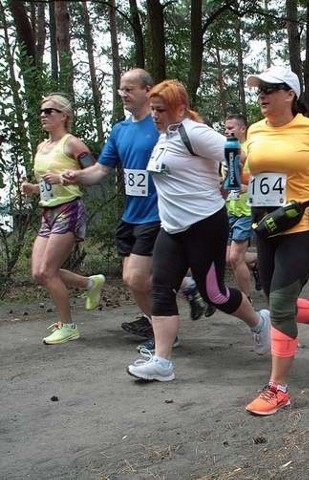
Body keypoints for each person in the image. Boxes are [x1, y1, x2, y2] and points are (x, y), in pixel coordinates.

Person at [125, 80, 271, 381]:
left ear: (180, 108)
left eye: (161, 110)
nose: (155, 115)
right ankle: (162, 361)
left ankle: (259, 324)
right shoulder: (165, 135)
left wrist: (228, 184)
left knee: (214, 293)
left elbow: (237, 154)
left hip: (205, 223)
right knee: (161, 288)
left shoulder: (195, 132)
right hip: (171, 227)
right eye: (153, 109)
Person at [63, 69, 209, 348]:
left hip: (158, 213)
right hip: (131, 214)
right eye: (121, 90)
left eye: (130, 89)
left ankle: (166, 334)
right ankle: (180, 299)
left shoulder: (162, 127)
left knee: (135, 277)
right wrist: (78, 176)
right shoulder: (120, 130)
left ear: (147, 91)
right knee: (136, 282)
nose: (124, 95)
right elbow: (101, 170)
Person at [243, 66, 309, 415]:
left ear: (289, 94)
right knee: (278, 301)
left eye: (270, 89)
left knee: (279, 303)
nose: (262, 95)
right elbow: (248, 174)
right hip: (265, 225)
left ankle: (278, 388)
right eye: (259, 89)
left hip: (301, 224)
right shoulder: (254, 131)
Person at [20, 94, 105, 344]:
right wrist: (34, 189)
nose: (44, 115)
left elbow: (94, 172)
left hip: (69, 209)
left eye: (50, 111)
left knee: (48, 271)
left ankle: (69, 326)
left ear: (64, 116)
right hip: (48, 212)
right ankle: (90, 283)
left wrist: (66, 178)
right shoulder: (41, 147)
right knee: (38, 273)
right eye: (42, 111)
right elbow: (47, 182)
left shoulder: (72, 144)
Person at [223, 114, 261, 297]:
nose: (227, 131)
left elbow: (261, 181)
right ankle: (258, 262)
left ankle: (246, 299)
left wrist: (247, 187)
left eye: (231, 128)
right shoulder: (225, 152)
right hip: (230, 208)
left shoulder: (251, 151)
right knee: (227, 257)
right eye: (225, 128)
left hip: (247, 210)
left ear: (242, 129)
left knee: (235, 257)